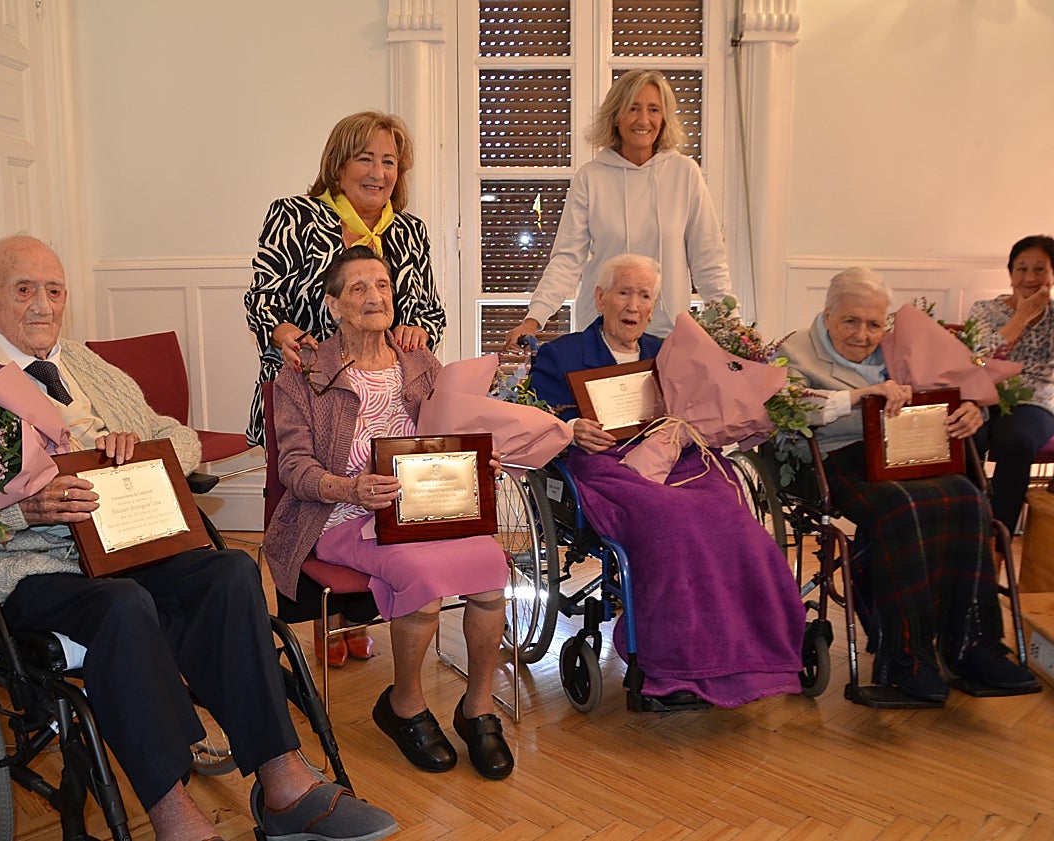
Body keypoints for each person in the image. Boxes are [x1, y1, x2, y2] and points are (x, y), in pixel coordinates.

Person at [0, 235, 399, 841]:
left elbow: (177, 435)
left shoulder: (83, 364)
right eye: (23, 290)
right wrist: (22, 511)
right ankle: (175, 818)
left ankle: (283, 782)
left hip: (131, 543)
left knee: (231, 572)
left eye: (54, 290)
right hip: (35, 567)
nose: (43, 306)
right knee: (123, 607)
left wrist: (141, 450)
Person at [262, 246, 514, 780]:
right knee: (420, 575)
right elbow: (295, 469)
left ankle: (478, 707)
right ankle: (404, 705)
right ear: (332, 306)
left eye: (382, 284)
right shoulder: (303, 375)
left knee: (492, 567)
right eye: (358, 288)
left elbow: (449, 430)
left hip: (425, 507)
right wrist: (350, 488)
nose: (375, 296)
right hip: (339, 515)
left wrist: (476, 462)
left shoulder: (421, 361)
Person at [529, 253, 805, 708]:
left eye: (644, 295)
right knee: (670, 520)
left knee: (733, 518)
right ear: (600, 298)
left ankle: (749, 655)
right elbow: (537, 416)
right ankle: (673, 664)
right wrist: (571, 428)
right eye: (623, 292)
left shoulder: (668, 351)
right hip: (603, 463)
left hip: (675, 456)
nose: (633, 305)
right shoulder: (562, 353)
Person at [776, 267, 1039, 702]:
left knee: (969, 499)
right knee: (900, 508)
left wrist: (972, 410)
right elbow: (786, 409)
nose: (863, 335)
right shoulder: (794, 351)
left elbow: (951, 388)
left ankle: (973, 644)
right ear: (826, 315)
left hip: (903, 451)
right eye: (850, 321)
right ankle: (906, 657)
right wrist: (861, 395)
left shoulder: (901, 346)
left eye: (874, 324)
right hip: (835, 457)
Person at [245, 110, 446, 668]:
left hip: (378, 381)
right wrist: (284, 329)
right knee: (314, 493)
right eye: (366, 158)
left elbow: (428, 309)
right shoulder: (295, 215)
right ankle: (324, 620)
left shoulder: (409, 231)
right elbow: (261, 299)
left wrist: (415, 327)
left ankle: (365, 610)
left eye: (389, 160)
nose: (379, 171)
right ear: (338, 163)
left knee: (379, 486)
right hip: (306, 385)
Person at [503, 69, 731, 351]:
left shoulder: (685, 174)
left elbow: (708, 259)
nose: (643, 119)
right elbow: (567, 259)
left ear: (664, 117)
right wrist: (533, 319)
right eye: (633, 108)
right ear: (616, 116)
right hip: (601, 335)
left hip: (667, 335)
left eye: (653, 109)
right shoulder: (591, 177)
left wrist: (732, 326)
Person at [969, 235, 1054, 534]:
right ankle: (966, 530)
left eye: (1040, 269)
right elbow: (977, 360)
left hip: (1033, 402)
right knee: (966, 439)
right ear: (1010, 274)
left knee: (1015, 442)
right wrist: (1021, 316)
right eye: (1021, 269)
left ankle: (997, 541)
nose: (1029, 277)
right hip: (981, 394)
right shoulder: (984, 310)